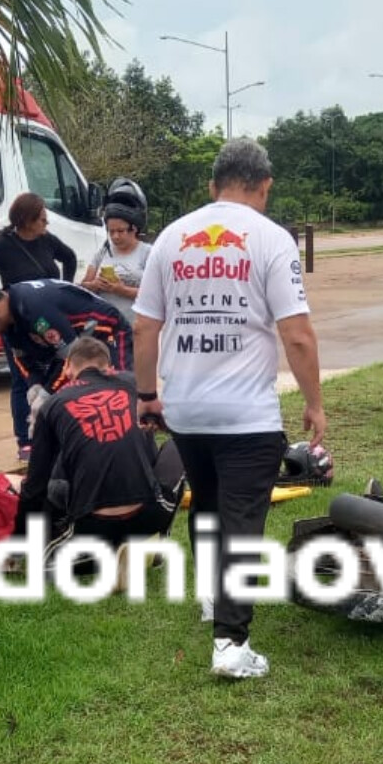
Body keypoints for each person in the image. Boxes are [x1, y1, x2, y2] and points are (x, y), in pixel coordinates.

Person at [133, 138, 325, 681]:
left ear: (213, 185)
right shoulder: (271, 238)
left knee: (209, 504)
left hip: (187, 410)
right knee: (242, 521)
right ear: (265, 186)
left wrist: (147, 395)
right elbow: (297, 335)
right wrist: (314, 403)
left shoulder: (171, 237)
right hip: (246, 416)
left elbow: (144, 326)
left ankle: (212, 599)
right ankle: (230, 643)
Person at [18, 333, 173, 549]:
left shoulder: (52, 405)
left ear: (67, 368)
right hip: (149, 516)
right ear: (109, 367)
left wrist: (18, 538)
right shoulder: (134, 383)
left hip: (93, 527)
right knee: (170, 446)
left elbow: (35, 486)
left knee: (52, 476)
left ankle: (59, 538)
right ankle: (154, 536)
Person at [0, 277, 132, 460]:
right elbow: (24, 359)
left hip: (108, 329)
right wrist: (34, 385)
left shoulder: (32, 308)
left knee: (119, 392)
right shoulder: (9, 323)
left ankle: (131, 447)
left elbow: (70, 359)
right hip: (77, 341)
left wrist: (47, 393)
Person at [0, 190, 79, 289]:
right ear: (28, 222)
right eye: (43, 220)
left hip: (50, 306)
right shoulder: (2, 245)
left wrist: (66, 287)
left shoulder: (47, 239)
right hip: (21, 309)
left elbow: (70, 258)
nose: (47, 223)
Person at [80, 202, 151, 327]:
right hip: (104, 324)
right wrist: (94, 285)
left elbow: (154, 294)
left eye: (120, 231)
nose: (115, 236)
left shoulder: (148, 253)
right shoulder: (103, 252)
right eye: (111, 232)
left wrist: (122, 290)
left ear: (134, 229)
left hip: (135, 325)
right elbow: (83, 287)